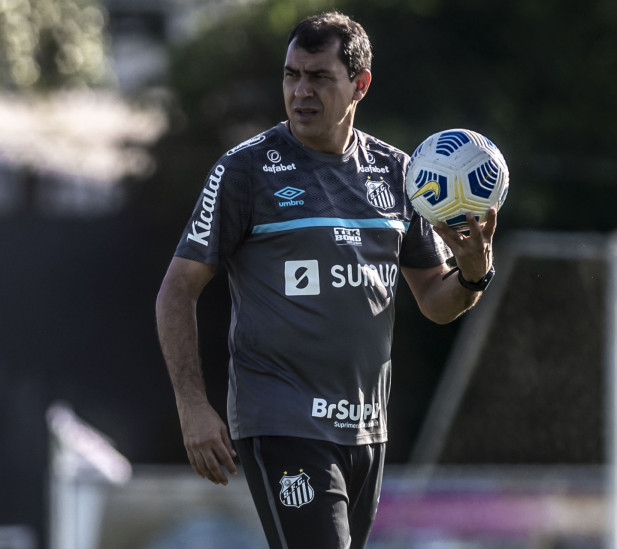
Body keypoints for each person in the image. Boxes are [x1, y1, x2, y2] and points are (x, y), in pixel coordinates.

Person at [156, 10, 497, 549]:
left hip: (365, 428)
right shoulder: (245, 171)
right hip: (282, 422)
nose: (300, 92)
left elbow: (435, 298)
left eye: (319, 77)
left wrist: (474, 275)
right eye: (292, 75)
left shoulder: (398, 173)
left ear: (360, 84)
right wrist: (192, 405)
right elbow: (177, 289)